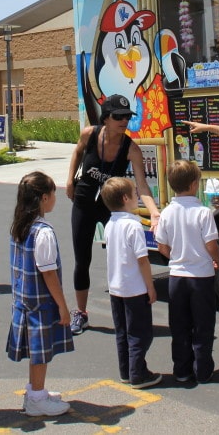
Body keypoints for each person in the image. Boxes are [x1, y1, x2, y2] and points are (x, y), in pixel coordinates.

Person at [65, 94, 160, 335]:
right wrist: (69, 181)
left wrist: (155, 213)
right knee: (82, 259)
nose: (124, 121)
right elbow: (77, 152)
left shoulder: (132, 149)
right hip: (84, 203)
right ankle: (81, 312)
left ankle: (132, 309)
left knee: (125, 259)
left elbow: (142, 186)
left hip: (112, 209)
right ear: (106, 118)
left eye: (127, 116)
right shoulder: (89, 134)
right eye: (118, 116)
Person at [7, 172, 73, 418]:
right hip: (40, 303)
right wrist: (63, 306)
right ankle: (36, 397)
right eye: (53, 193)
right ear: (45, 197)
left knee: (37, 351)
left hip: (24, 300)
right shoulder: (42, 232)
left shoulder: (20, 226)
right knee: (41, 352)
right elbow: (48, 273)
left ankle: (36, 390)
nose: (55, 198)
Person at [154, 160, 219, 384]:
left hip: (176, 276)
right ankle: (202, 369)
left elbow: (161, 246)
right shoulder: (203, 213)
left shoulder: (166, 212)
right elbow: (211, 245)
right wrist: (218, 260)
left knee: (180, 325)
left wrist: (175, 256)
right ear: (194, 184)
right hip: (201, 277)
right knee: (203, 325)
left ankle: (182, 370)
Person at [101, 177, 160, 389]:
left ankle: (126, 371)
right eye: (135, 194)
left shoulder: (110, 224)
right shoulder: (133, 226)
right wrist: (150, 286)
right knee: (140, 333)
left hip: (116, 288)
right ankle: (139, 373)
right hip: (134, 288)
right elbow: (142, 260)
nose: (137, 197)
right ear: (126, 198)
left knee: (122, 332)